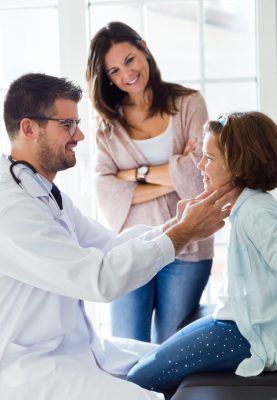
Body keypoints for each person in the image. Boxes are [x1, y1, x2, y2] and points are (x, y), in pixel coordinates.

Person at [0, 72, 235, 400]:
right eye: (66, 124)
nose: (79, 135)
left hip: (82, 350)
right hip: (35, 369)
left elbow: (111, 245)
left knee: (172, 361)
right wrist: (183, 233)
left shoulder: (45, 193)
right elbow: (99, 279)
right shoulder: (10, 209)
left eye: (77, 123)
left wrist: (176, 224)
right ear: (28, 128)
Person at [126, 111, 277, 393]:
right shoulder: (249, 206)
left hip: (243, 334)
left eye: (209, 158)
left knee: (138, 381)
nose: (199, 166)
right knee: (143, 368)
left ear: (238, 164)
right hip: (230, 321)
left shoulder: (257, 212)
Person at [86, 21, 213, 344]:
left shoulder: (189, 104)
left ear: (143, 46)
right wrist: (175, 174)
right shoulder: (107, 125)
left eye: (129, 59)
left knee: (171, 350)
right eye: (113, 71)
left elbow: (201, 179)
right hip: (132, 246)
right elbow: (105, 189)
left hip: (188, 246)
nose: (126, 74)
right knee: (127, 347)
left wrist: (134, 175)